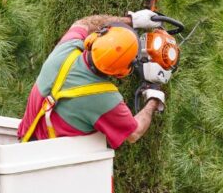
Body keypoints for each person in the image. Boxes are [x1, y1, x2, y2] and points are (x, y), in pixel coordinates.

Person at [17, 10, 166, 148]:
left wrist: (132, 21)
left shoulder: (67, 49)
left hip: (25, 147)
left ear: (96, 37)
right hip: (56, 168)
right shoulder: (105, 99)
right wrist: (153, 98)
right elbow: (134, 133)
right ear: (122, 72)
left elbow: (83, 23)